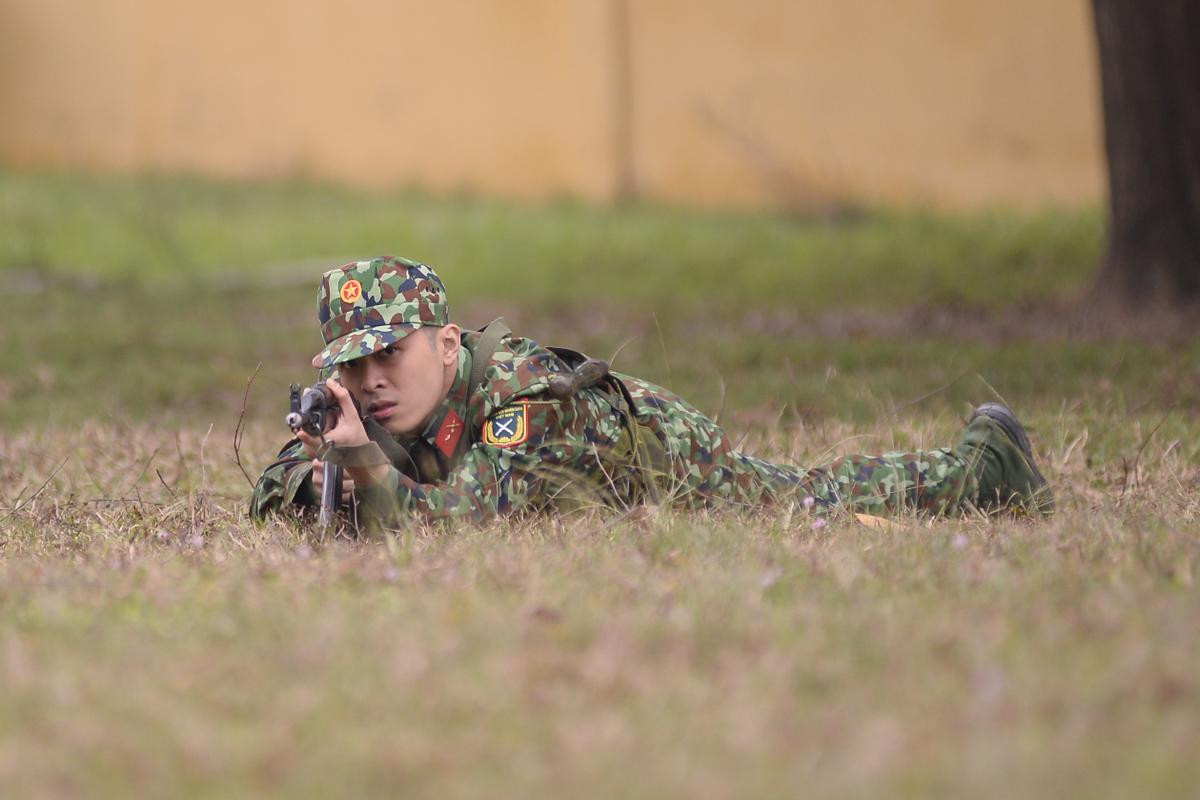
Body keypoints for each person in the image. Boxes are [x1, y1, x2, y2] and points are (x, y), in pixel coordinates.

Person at [250, 256, 1054, 527]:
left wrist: (360, 474)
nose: (371, 381)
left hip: (665, 463)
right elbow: (271, 487)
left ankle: (987, 466)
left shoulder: (525, 406)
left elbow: (463, 521)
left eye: (389, 354)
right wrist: (321, 454)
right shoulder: (379, 407)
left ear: (448, 342)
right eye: (351, 367)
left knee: (812, 502)